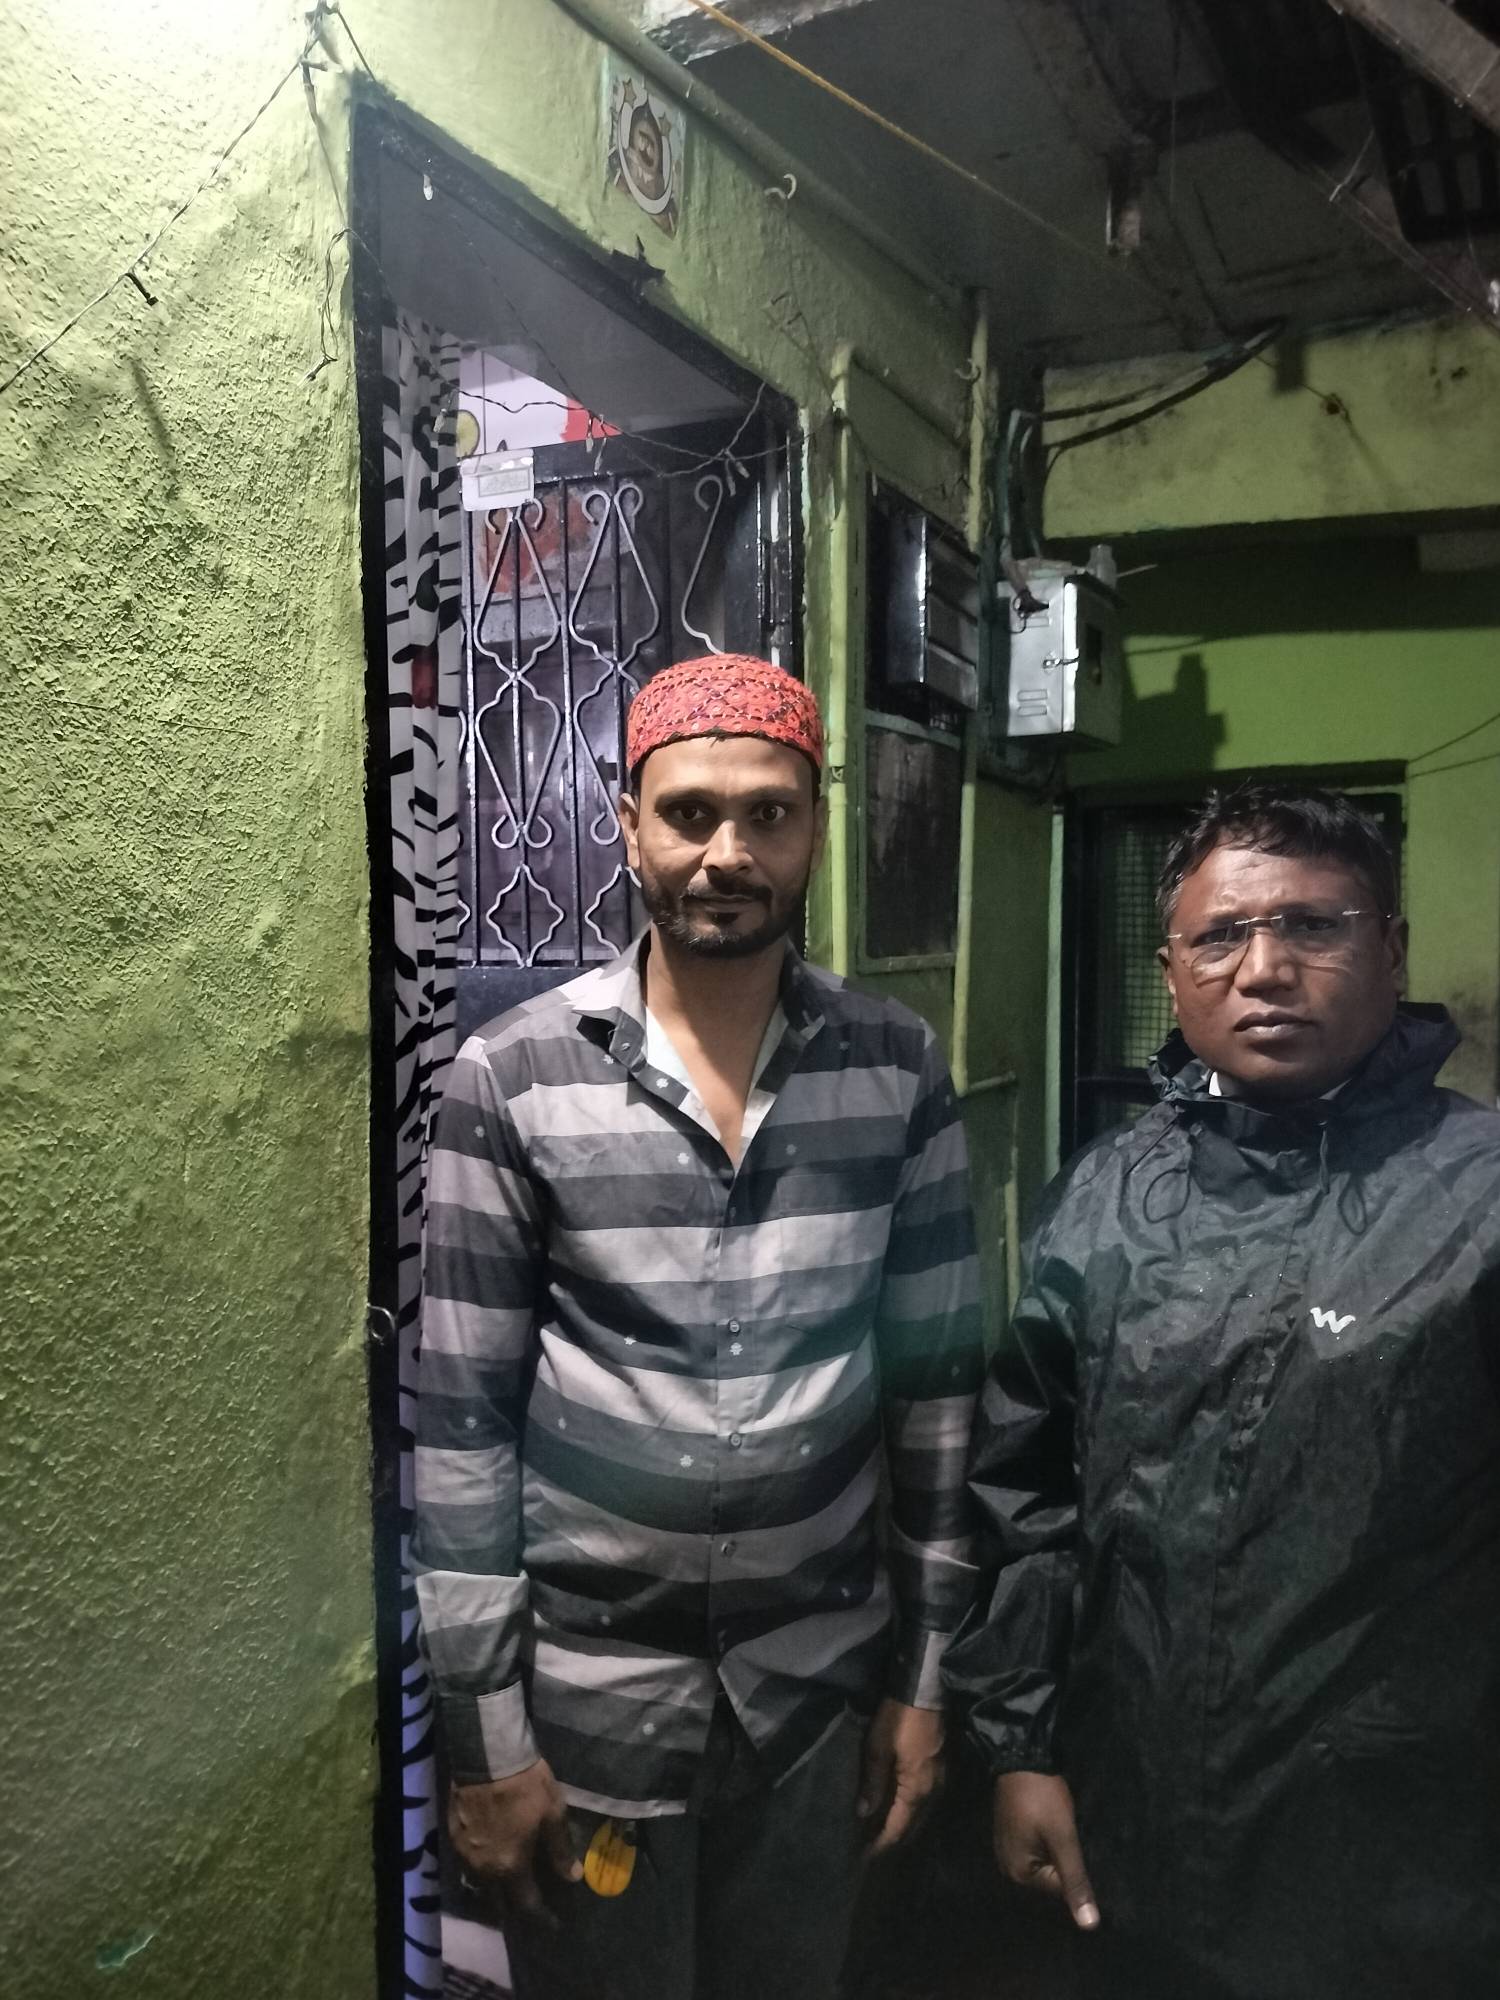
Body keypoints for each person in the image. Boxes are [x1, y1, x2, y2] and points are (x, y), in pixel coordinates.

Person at [414, 654, 983, 2000]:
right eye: (690, 813)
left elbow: (940, 1406)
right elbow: (461, 1433)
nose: (728, 852)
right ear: (630, 825)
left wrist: (923, 1680)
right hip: (586, 1725)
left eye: (768, 813)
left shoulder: (896, 1070)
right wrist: (485, 1740)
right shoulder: (516, 1076)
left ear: (816, 828)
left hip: (816, 1706)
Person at [944, 782, 1500, 2000]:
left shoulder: (1478, 1199)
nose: (1266, 968)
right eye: (1222, 935)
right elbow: (1025, 1494)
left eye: (1313, 925)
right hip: (1128, 1831)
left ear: (1392, 948)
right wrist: (1020, 1746)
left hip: (1400, 1864)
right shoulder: (1105, 1197)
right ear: (1172, 970)